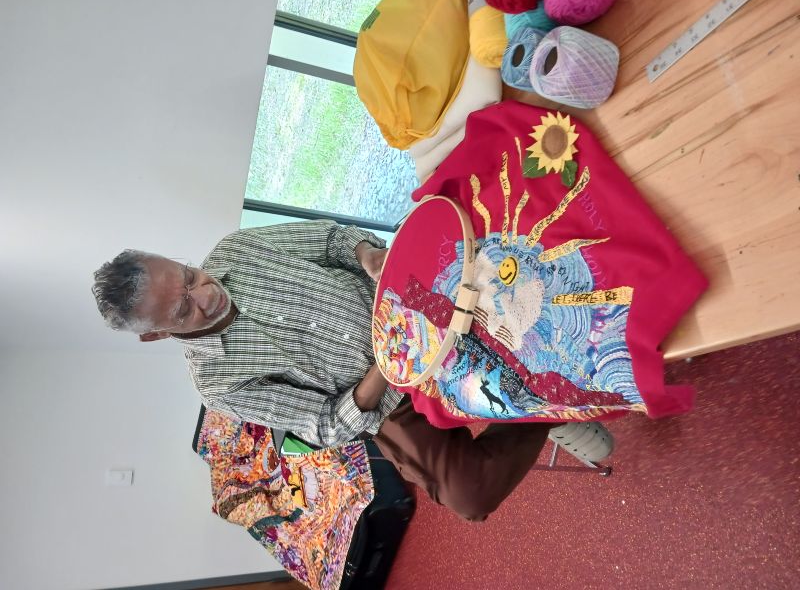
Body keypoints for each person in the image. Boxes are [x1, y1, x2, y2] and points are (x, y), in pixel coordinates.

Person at [92, 220, 612, 521]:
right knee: (468, 495)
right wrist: (393, 359)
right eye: (184, 311)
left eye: (189, 275)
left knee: (514, 293)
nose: (206, 294)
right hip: (379, 397)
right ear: (158, 335)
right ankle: (541, 412)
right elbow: (323, 424)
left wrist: (367, 254)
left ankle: (539, 385)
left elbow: (330, 242)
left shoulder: (236, 249)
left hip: (402, 303)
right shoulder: (216, 382)